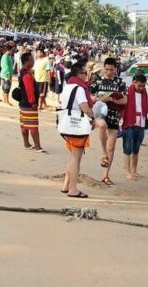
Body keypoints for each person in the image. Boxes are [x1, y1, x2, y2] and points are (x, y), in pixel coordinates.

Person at [59, 61, 96, 199]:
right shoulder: (80, 89)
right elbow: (85, 108)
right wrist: (94, 117)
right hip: (76, 125)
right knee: (76, 158)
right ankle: (73, 189)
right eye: (85, 73)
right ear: (79, 74)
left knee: (73, 156)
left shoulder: (68, 86)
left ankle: (66, 185)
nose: (87, 76)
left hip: (67, 124)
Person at [89, 57, 127, 186]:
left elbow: (125, 100)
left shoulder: (120, 83)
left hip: (114, 115)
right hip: (100, 113)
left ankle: (106, 175)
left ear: (116, 69)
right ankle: (103, 153)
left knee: (112, 146)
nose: (109, 72)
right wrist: (97, 98)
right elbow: (89, 95)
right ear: (104, 68)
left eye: (111, 70)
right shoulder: (97, 81)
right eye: (107, 69)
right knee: (102, 125)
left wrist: (112, 100)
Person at [121, 74, 148, 181]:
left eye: (143, 86)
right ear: (134, 82)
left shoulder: (145, 93)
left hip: (141, 123)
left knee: (136, 148)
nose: (141, 88)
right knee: (127, 147)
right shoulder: (126, 91)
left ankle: (134, 170)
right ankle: (127, 171)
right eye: (139, 86)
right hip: (129, 122)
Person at [18, 51, 45, 153]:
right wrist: (33, 102)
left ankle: (26, 143)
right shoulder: (27, 75)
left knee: (24, 124)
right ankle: (37, 146)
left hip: (23, 103)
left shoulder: (23, 72)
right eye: (31, 60)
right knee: (33, 125)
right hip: (29, 104)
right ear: (26, 61)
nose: (33, 61)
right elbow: (30, 90)